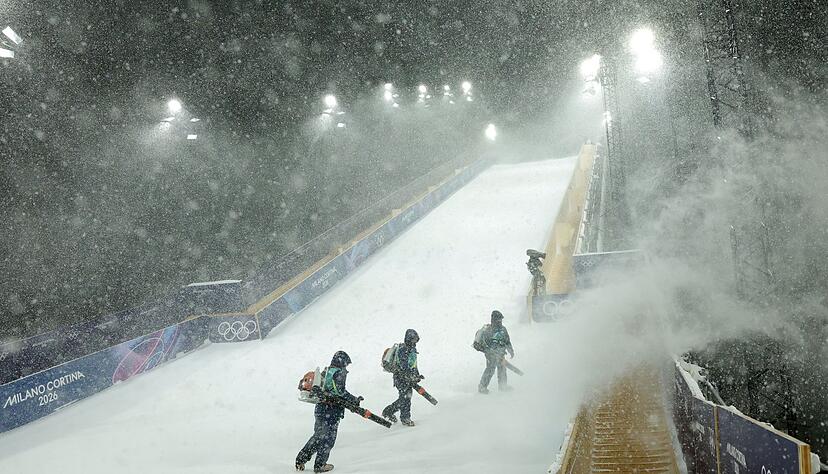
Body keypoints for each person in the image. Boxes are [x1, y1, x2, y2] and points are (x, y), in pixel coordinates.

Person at [296, 350, 362, 473]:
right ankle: (320, 465)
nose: (346, 366)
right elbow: (340, 392)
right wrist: (354, 400)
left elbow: (329, 390)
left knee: (318, 437)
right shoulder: (339, 372)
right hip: (331, 411)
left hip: (321, 409)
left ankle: (301, 459)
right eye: (346, 364)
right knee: (328, 440)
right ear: (342, 362)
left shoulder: (327, 372)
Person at [382, 329, 423, 426]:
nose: (415, 342)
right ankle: (404, 418)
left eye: (416, 340)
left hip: (407, 378)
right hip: (400, 378)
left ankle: (389, 411)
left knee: (405, 398)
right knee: (405, 398)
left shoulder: (412, 349)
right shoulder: (403, 350)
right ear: (408, 339)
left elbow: (413, 365)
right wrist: (410, 377)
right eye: (413, 340)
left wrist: (417, 375)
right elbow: (403, 367)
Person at [478, 310, 515, 394]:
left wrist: (510, 350)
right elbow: (484, 344)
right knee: (490, 369)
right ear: (493, 320)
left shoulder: (503, 329)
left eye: (501, 320)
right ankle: (482, 387)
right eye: (498, 320)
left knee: (502, 369)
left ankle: (503, 386)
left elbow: (507, 340)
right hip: (491, 355)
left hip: (501, 354)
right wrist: (490, 352)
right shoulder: (488, 330)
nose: (500, 322)